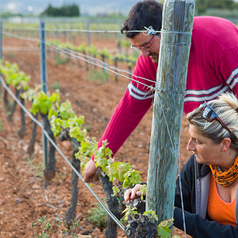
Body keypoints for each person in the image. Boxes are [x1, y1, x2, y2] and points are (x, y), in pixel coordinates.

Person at [83, 0, 238, 183]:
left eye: (146, 46)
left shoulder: (221, 43)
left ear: (166, 30)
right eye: (137, 48)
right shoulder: (150, 61)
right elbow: (130, 108)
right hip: (210, 140)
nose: (144, 55)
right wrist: (100, 156)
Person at [124, 93, 238, 238]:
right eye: (190, 138)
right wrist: (148, 191)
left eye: (198, 141)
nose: (189, 147)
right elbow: (178, 196)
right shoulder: (200, 166)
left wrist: (172, 213)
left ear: (224, 144)